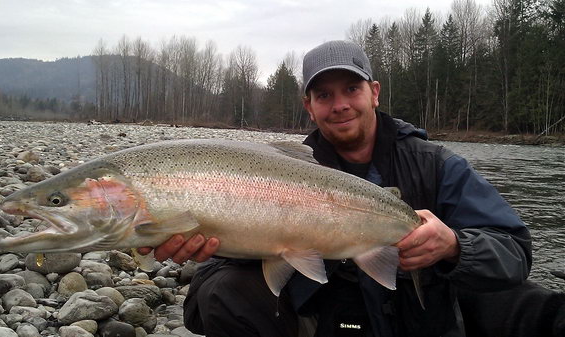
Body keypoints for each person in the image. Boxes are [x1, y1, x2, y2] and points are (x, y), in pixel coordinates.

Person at [139, 40, 532, 337]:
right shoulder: (281, 169)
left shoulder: (437, 165)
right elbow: (202, 306)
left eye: (351, 89)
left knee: (530, 303)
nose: (340, 104)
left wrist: (454, 247)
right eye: (324, 95)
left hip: (414, 321)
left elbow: (514, 251)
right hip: (320, 323)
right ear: (308, 106)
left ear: (374, 92)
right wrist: (212, 248)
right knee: (220, 290)